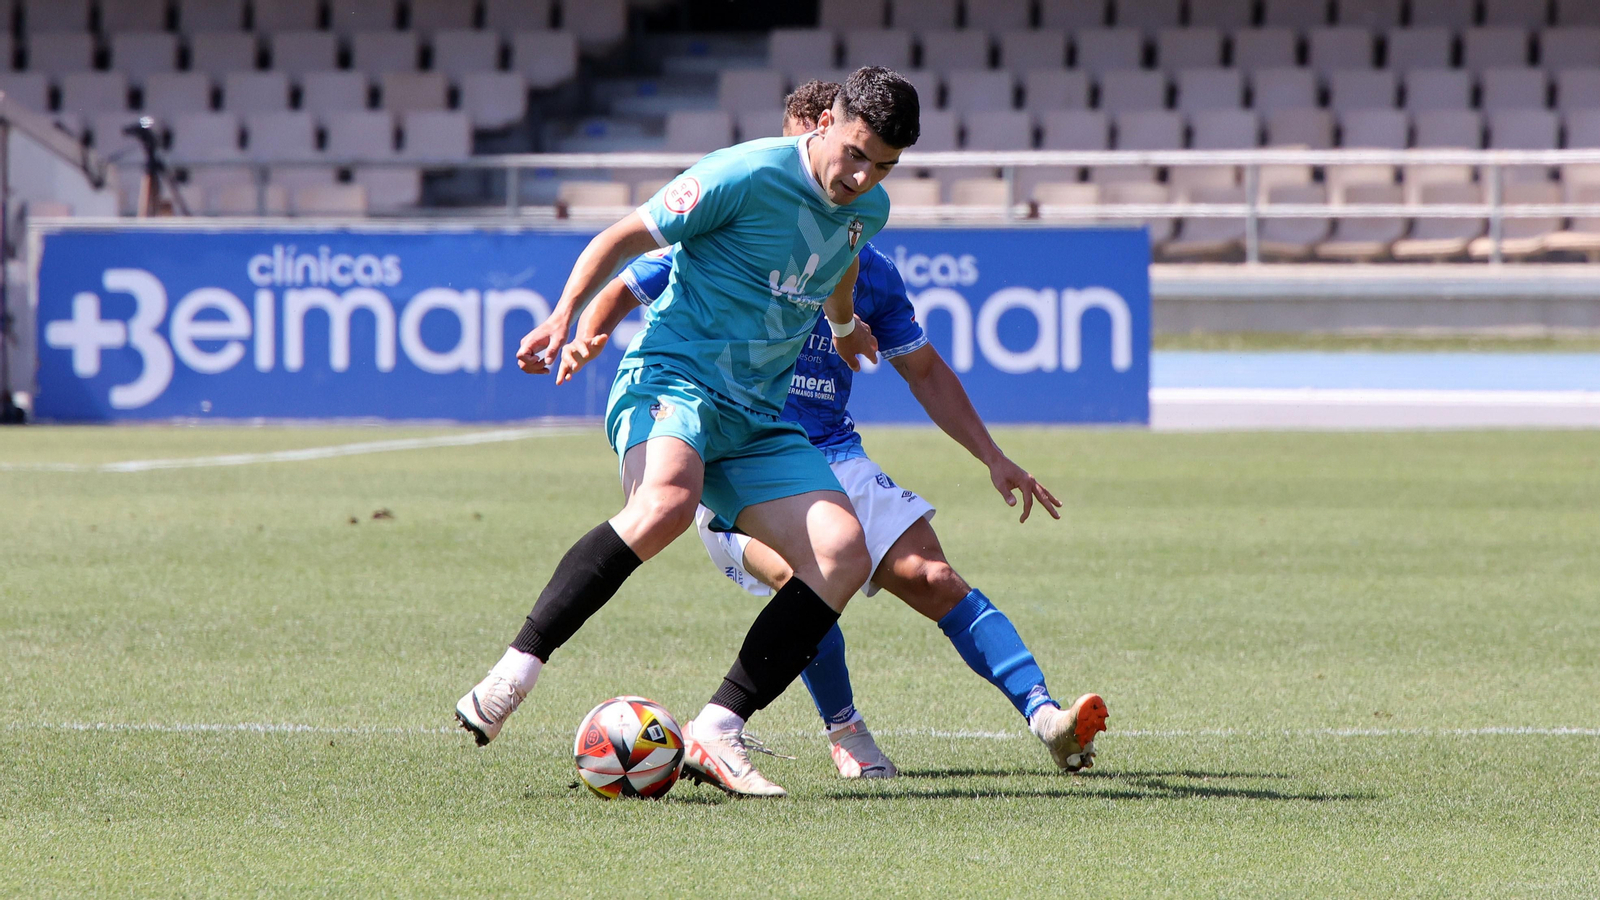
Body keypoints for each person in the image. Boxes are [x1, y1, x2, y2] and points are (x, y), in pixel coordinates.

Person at [557, 81, 1109, 780]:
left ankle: (1046, 716)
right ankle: (840, 729)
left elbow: (926, 371)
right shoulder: (735, 223)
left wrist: (994, 458)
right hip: (734, 451)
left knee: (932, 575)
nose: (839, 184)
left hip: (831, 450)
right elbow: (624, 282)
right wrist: (586, 334)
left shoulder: (866, 262)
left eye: (868, 168)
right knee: (802, 574)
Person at [455, 67, 916, 798]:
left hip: (758, 417)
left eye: (883, 166)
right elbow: (620, 237)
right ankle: (513, 673)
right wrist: (564, 318)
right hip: (673, 381)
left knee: (842, 553)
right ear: (828, 121)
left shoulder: (870, 208)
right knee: (668, 503)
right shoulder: (743, 173)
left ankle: (718, 729)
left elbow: (841, 258)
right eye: (856, 154)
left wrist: (841, 323)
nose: (862, 177)